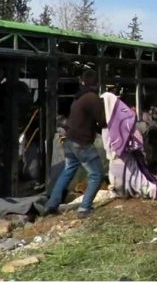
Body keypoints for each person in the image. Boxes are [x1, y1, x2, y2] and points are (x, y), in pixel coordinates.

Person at [44, 69, 106, 218]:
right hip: (81, 142)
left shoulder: (79, 97)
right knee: (97, 174)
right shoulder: (92, 97)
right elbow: (103, 121)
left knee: (68, 171)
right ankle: (85, 208)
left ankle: (52, 204)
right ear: (97, 83)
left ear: (83, 82)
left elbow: (87, 120)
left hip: (70, 140)